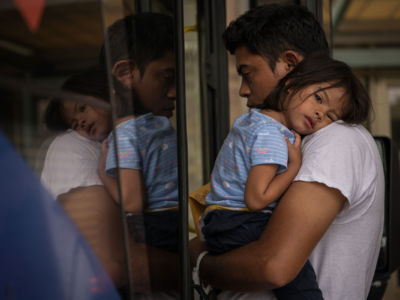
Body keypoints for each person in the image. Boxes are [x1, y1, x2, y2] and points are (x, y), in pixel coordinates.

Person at [190, 4, 385, 300]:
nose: (243, 90)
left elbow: (273, 267)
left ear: (289, 65)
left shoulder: (335, 141)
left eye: (248, 72)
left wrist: (201, 265)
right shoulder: (291, 134)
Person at [41, 66, 112, 199]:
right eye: (75, 124)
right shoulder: (70, 147)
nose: (81, 122)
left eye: (82, 108)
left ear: (102, 90)